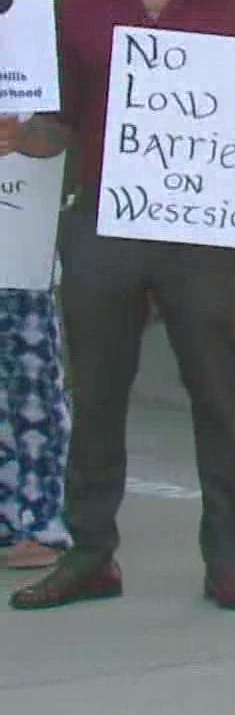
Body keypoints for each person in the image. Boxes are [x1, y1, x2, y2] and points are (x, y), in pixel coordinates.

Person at [11, 0, 235, 612]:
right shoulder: (85, 11)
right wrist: (16, 137)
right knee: (97, 395)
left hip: (200, 234)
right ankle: (91, 556)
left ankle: (228, 561)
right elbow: (61, 124)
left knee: (216, 394)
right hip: (104, 223)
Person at [0, 113, 72, 572]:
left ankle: (32, 519)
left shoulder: (42, 51)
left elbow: (66, 126)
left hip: (19, 244)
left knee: (30, 392)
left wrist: (27, 138)